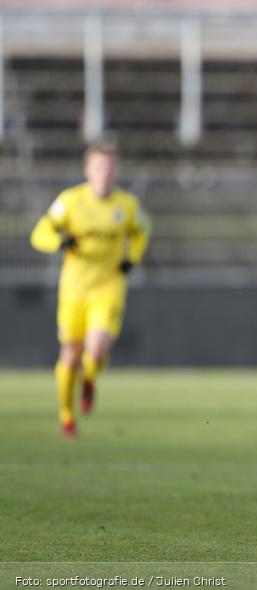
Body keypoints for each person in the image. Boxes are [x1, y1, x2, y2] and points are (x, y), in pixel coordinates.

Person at [30, 141, 151, 438]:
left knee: (95, 349)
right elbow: (40, 232)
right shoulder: (70, 202)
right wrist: (58, 243)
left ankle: (90, 377)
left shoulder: (127, 206)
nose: (105, 173)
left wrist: (132, 259)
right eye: (99, 166)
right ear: (88, 170)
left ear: (116, 171)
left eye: (110, 167)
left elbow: (142, 232)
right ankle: (66, 415)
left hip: (108, 287)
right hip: (73, 289)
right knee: (70, 354)